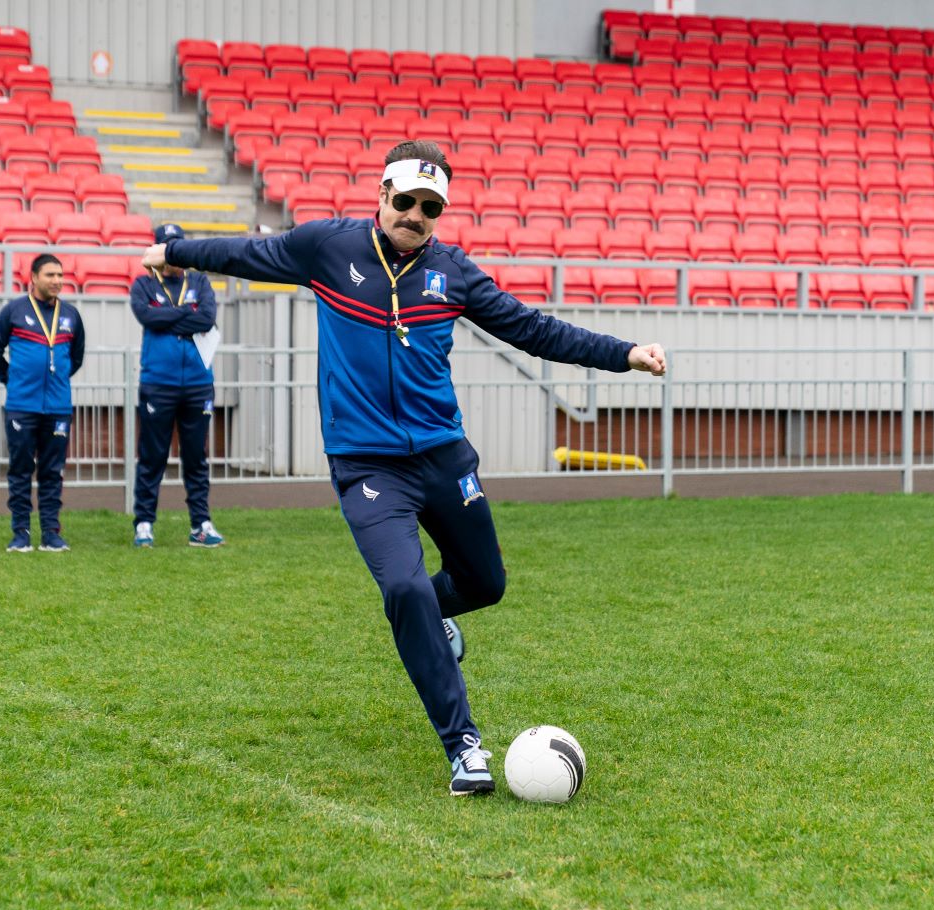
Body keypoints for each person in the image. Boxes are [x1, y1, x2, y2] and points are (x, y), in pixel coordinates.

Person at [141, 140, 665, 796]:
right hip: (367, 465)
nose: (415, 214)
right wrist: (177, 248)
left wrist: (626, 354)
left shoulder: (455, 273)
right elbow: (247, 253)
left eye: (430, 206)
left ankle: (429, 619)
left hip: (445, 456)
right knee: (405, 588)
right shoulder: (328, 248)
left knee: (487, 582)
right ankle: (463, 745)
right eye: (407, 200)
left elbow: (534, 330)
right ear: (382, 195)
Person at [129, 223, 223, 548]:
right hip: (159, 383)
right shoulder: (143, 284)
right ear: (156, 250)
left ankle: (201, 524)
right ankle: (143, 523)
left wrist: (168, 315)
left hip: (198, 384)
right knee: (152, 456)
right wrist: (185, 313)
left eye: (178, 246)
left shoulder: (199, 281)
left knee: (196, 458)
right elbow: (147, 318)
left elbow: (206, 318)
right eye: (168, 246)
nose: (175, 253)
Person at [0, 253, 85, 553]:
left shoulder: (70, 315)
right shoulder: (14, 311)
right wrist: (13, 380)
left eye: (60, 275)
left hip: (58, 408)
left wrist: (59, 380)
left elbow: (76, 357)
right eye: (50, 275)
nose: (56, 281)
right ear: (34, 278)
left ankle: (52, 534)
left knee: (53, 472)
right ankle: (21, 533)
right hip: (22, 406)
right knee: (20, 470)